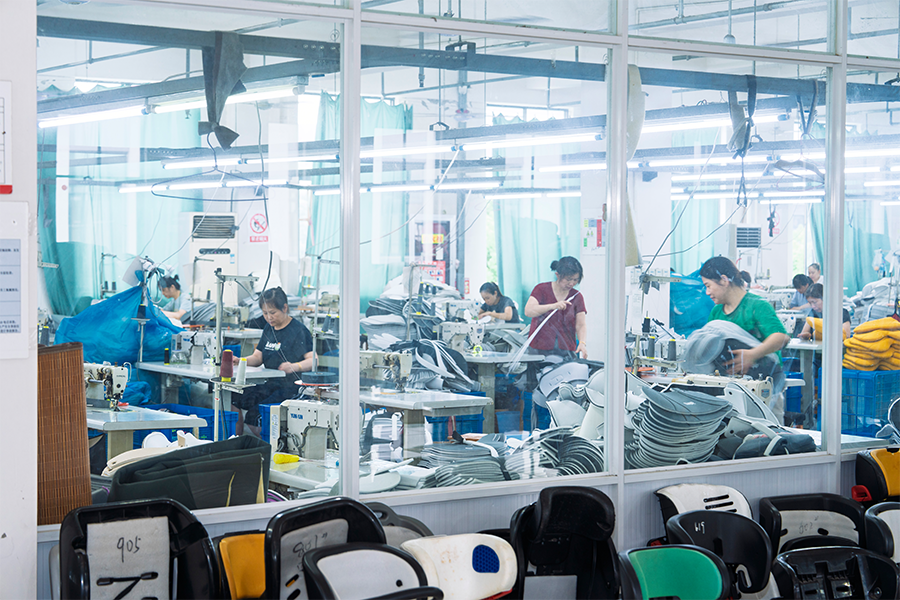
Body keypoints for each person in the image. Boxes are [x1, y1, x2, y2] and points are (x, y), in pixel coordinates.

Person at [232, 287, 316, 436]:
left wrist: (294, 366)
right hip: (270, 384)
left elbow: (313, 360)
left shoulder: (298, 331)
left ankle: (270, 444)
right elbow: (258, 357)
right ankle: (235, 440)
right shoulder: (268, 328)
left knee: (254, 416)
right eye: (265, 313)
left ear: (284, 308)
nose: (269, 317)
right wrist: (240, 361)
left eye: (272, 313)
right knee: (235, 397)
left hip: (290, 388)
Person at [700, 256, 789, 377]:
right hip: (727, 379)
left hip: (761, 378)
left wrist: (752, 355)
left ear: (724, 280)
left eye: (708, 286)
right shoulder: (717, 312)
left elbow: (781, 337)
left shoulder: (757, 305)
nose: (707, 292)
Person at [523, 257, 587, 359]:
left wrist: (582, 343)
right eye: (568, 279)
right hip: (538, 348)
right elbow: (528, 311)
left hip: (566, 349)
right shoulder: (541, 289)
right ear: (557, 275)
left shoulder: (577, 296)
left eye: (575, 280)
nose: (571, 283)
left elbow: (581, 325)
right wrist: (553, 306)